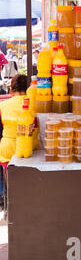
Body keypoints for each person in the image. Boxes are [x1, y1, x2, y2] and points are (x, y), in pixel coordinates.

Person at [0, 75, 33, 208]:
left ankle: (9, 208)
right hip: (28, 146)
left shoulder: (3, 105)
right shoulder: (32, 102)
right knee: (27, 187)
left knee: (10, 188)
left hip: (7, 148)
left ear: (11, 88)